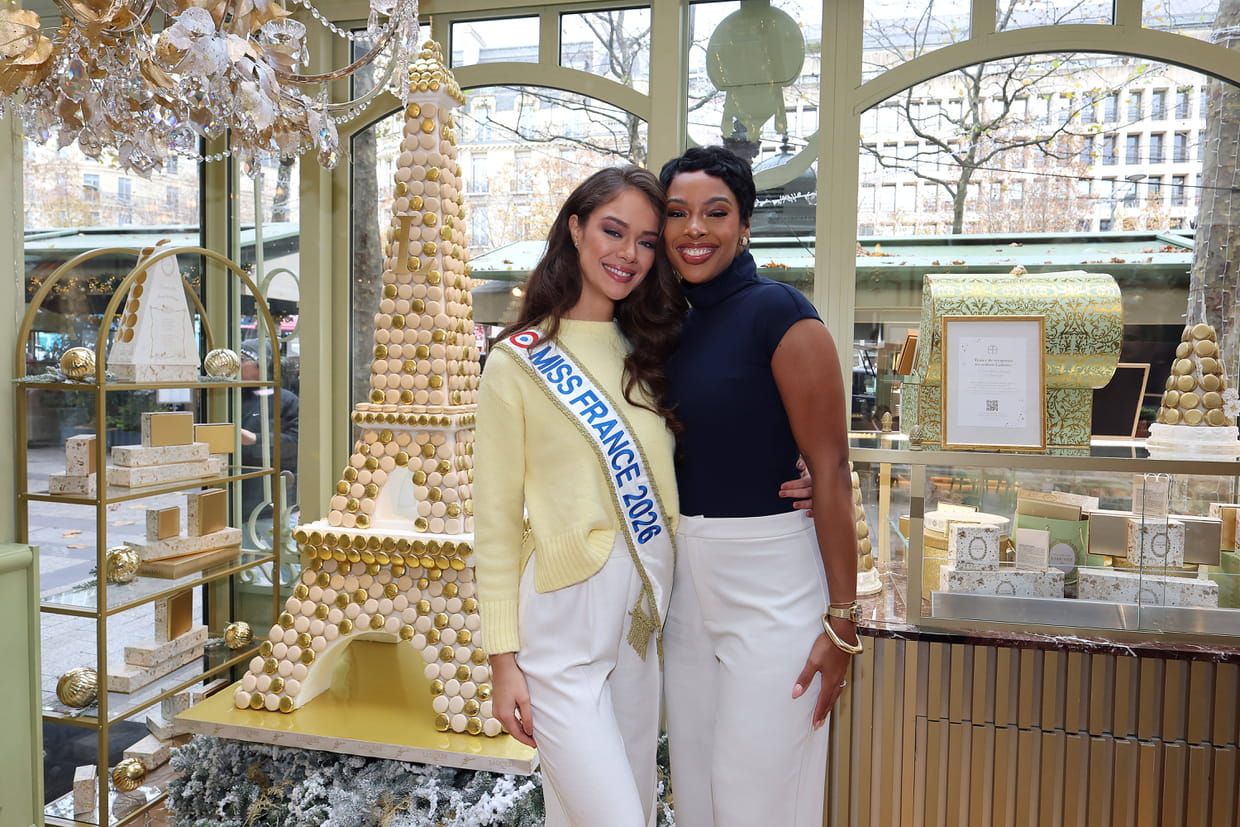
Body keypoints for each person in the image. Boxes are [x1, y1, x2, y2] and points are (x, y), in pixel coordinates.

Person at [473, 166, 684, 826]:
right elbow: (495, 521)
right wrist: (502, 661)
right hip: (561, 629)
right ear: (575, 228)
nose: (629, 254)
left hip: (638, 623)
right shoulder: (517, 361)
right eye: (613, 231)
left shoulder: (651, 354)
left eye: (646, 241)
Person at [659, 145, 859, 827]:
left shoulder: (782, 315)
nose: (695, 229)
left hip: (772, 585)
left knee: (758, 802)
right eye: (678, 213)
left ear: (744, 225)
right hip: (683, 589)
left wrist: (842, 619)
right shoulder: (660, 323)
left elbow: (831, 471)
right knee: (698, 797)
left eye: (715, 213)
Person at [238, 340, 299, 539]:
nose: (237, 365)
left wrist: (256, 439)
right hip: (237, 499)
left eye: (243, 359)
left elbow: (296, 443)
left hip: (273, 501)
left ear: (262, 365)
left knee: (283, 552)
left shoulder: (285, 399)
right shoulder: (229, 396)